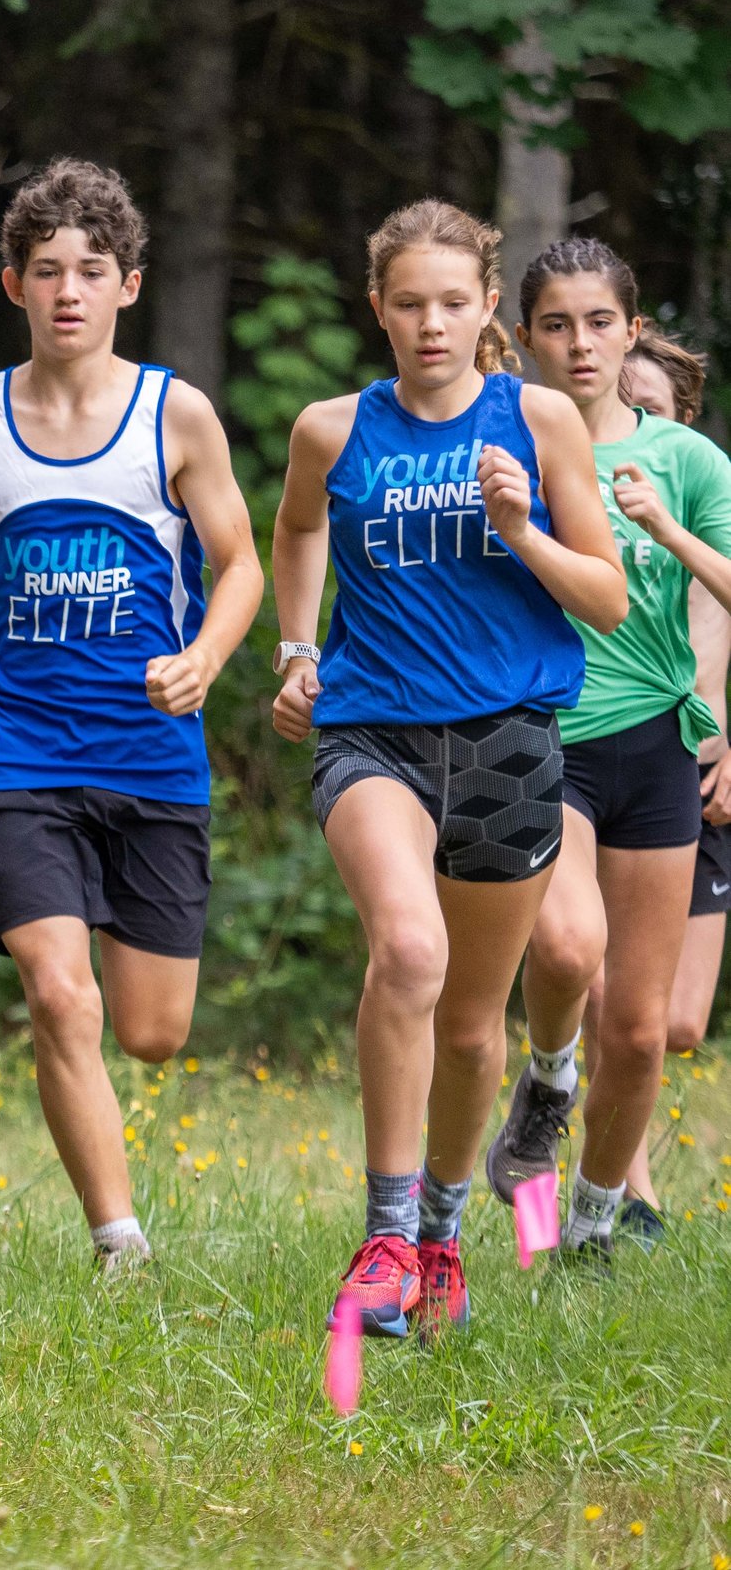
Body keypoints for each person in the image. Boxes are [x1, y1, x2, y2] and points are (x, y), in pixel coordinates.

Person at [270, 201, 625, 1340]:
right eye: (408, 304)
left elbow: (607, 600)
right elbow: (293, 532)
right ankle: (380, 1237)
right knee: (406, 949)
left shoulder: (538, 420)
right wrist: (293, 648)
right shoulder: (331, 430)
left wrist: (521, 529)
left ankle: (440, 1238)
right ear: (376, 307)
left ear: (487, 312)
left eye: (453, 303)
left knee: (472, 1028)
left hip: (509, 741)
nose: (431, 324)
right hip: (370, 733)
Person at [0, 160, 263, 1271]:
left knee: (151, 1032)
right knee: (61, 996)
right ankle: (120, 1242)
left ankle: (117, 1199)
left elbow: (239, 561)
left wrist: (204, 657)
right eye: (46, 270)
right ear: (11, 284)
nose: (68, 290)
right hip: (9, 745)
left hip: (149, 748)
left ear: (128, 284)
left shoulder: (175, 415)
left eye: (90, 271)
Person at [490, 243, 731, 1261]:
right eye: (556, 324)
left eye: (598, 323)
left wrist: (667, 529)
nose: (578, 343)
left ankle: (590, 1225)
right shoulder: (497, 442)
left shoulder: (688, 460)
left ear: (631, 330)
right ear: (527, 337)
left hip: (656, 746)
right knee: (563, 951)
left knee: (642, 1030)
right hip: (541, 731)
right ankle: (544, 1081)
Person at [612, 330, 727, 1231]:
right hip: (605, 758)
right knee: (594, 980)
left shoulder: (700, 506)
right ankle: (618, 1196)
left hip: (705, 774)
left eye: (649, 406)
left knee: (677, 1021)